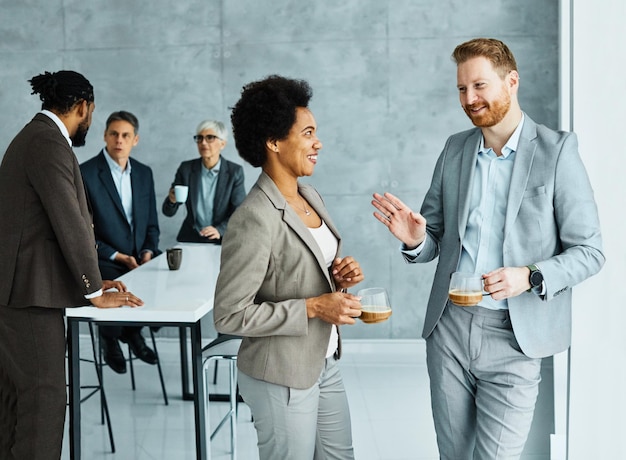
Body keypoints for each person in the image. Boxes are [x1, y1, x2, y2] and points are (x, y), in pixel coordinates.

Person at [372, 38, 605, 459]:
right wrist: (416, 240)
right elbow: (434, 241)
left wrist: (529, 275)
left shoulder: (557, 151)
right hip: (450, 329)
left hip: (516, 340)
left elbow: (590, 251)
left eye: (479, 86)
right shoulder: (456, 149)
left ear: (511, 81)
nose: (469, 99)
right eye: (462, 89)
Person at [213, 75, 364, 460]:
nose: (318, 143)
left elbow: (299, 271)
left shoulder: (309, 196)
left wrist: (338, 278)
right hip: (279, 374)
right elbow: (229, 315)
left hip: (323, 359)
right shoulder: (254, 218)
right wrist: (314, 307)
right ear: (274, 142)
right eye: (308, 133)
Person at [0, 71, 143, 460]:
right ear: (83, 107)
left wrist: (97, 280)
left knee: (18, 401)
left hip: (20, 292)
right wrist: (93, 290)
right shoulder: (47, 143)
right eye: (91, 114)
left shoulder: (37, 138)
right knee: (44, 401)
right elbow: (70, 222)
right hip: (28, 295)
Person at [80, 110, 161, 374]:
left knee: (161, 278)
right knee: (115, 283)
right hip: (105, 257)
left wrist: (148, 252)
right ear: (104, 136)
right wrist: (118, 256)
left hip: (141, 256)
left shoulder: (144, 173)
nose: (119, 140)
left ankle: (134, 332)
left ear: (135, 140)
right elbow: (83, 232)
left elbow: (151, 224)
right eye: (114, 134)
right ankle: (110, 338)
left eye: (126, 135)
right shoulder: (86, 173)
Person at [162, 119, 245, 243]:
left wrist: (220, 230)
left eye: (210, 137)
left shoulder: (234, 172)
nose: (203, 143)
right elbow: (167, 212)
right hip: (191, 238)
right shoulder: (186, 169)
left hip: (221, 239)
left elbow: (240, 212)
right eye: (199, 138)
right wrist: (172, 200)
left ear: (223, 144)